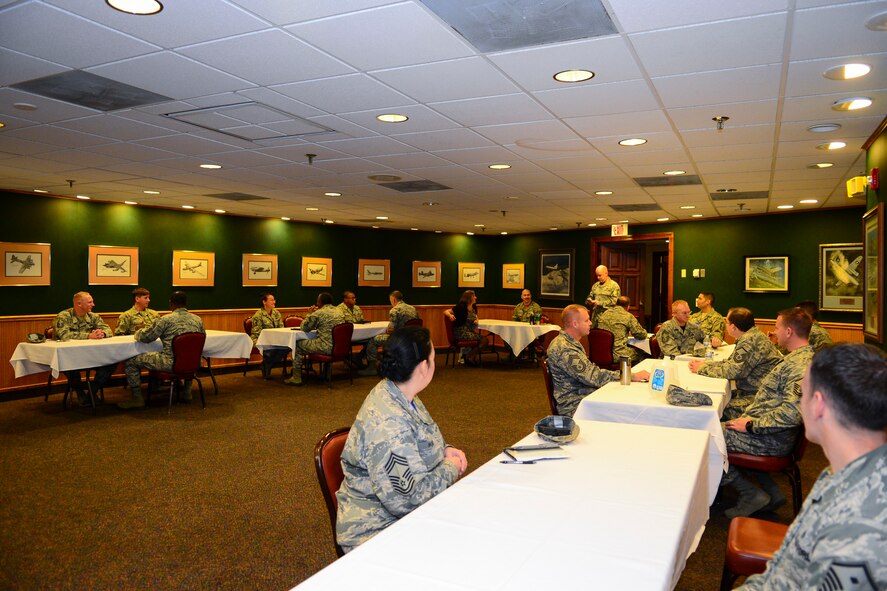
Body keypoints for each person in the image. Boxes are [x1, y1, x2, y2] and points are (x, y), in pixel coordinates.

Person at [738, 343, 887, 590]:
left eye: (802, 394)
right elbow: (787, 569)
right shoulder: (843, 472)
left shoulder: (857, 533)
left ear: (818, 404)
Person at [336, 326, 467, 552]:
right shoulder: (389, 424)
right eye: (433, 357)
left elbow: (419, 438)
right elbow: (406, 501)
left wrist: (445, 450)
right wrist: (450, 468)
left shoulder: (401, 392)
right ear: (424, 366)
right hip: (376, 530)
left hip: (404, 517)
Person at [721, 307, 815, 518]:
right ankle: (772, 491)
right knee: (719, 423)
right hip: (768, 430)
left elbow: (792, 413)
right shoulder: (798, 358)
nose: (774, 332)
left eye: (777, 327)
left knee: (707, 437)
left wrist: (750, 425)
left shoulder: (799, 365)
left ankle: (750, 493)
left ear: (789, 332)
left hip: (770, 438)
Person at [547, 304, 649, 417]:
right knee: (627, 410)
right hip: (576, 405)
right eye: (586, 320)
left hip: (586, 395)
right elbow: (593, 376)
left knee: (626, 397)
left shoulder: (569, 342)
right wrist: (631, 376)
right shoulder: (564, 348)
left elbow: (590, 373)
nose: (590, 323)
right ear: (575, 324)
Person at [120, 291, 205, 409]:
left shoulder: (165, 320)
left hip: (170, 363)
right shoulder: (198, 319)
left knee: (131, 361)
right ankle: (187, 392)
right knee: (187, 356)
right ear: (185, 304)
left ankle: (137, 398)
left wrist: (138, 332)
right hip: (194, 362)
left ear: (171, 304)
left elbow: (147, 337)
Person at [689, 307, 782, 401]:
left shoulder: (748, 341)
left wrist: (701, 369)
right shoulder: (752, 335)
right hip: (758, 391)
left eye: (727, 322)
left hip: (758, 396)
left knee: (714, 405)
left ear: (733, 327)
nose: (726, 325)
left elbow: (733, 371)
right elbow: (731, 363)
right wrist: (707, 364)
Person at [53, 291, 116, 405]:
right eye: (90, 302)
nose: (93, 304)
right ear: (79, 304)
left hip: (91, 355)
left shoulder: (93, 316)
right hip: (71, 356)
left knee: (112, 362)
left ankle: (92, 392)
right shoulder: (63, 316)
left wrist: (102, 333)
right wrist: (88, 336)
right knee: (71, 366)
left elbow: (108, 330)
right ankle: (80, 392)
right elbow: (64, 335)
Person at [285, 292, 345, 386]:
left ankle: (296, 377)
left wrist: (309, 314)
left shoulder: (318, 313)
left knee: (297, 345)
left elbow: (305, 328)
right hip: (339, 346)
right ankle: (326, 374)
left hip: (325, 347)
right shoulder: (340, 311)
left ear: (320, 302)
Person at [360, 291, 419, 376]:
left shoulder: (394, 310)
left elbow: (391, 330)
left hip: (398, 339)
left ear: (394, 299)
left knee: (373, 340)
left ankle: (371, 368)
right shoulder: (412, 308)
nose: (390, 302)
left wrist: (387, 330)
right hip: (410, 337)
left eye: (390, 301)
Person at [596, 295, 648, 364]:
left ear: (616, 304)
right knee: (640, 353)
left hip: (600, 353)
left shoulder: (604, 314)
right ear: (628, 306)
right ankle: (632, 373)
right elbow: (641, 335)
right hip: (618, 354)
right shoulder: (628, 316)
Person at [445, 290, 490, 366]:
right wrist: (450, 315)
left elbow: (475, 317)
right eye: (474, 296)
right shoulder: (461, 306)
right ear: (469, 298)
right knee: (484, 340)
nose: (476, 297)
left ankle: (468, 356)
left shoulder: (474, 307)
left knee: (483, 340)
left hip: (469, 331)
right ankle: (469, 356)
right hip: (460, 332)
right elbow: (446, 311)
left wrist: (477, 319)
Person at [250, 293, 287, 379]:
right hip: (260, 339)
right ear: (264, 302)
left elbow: (281, 328)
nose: (274, 302)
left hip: (275, 339)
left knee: (286, 347)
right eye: (271, 300)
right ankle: (267, 366)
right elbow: (256, 332)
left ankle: (266, 364)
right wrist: (269, 339)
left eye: (274, 300)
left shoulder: (277, 313)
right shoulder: (258, 315)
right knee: (270, 347)